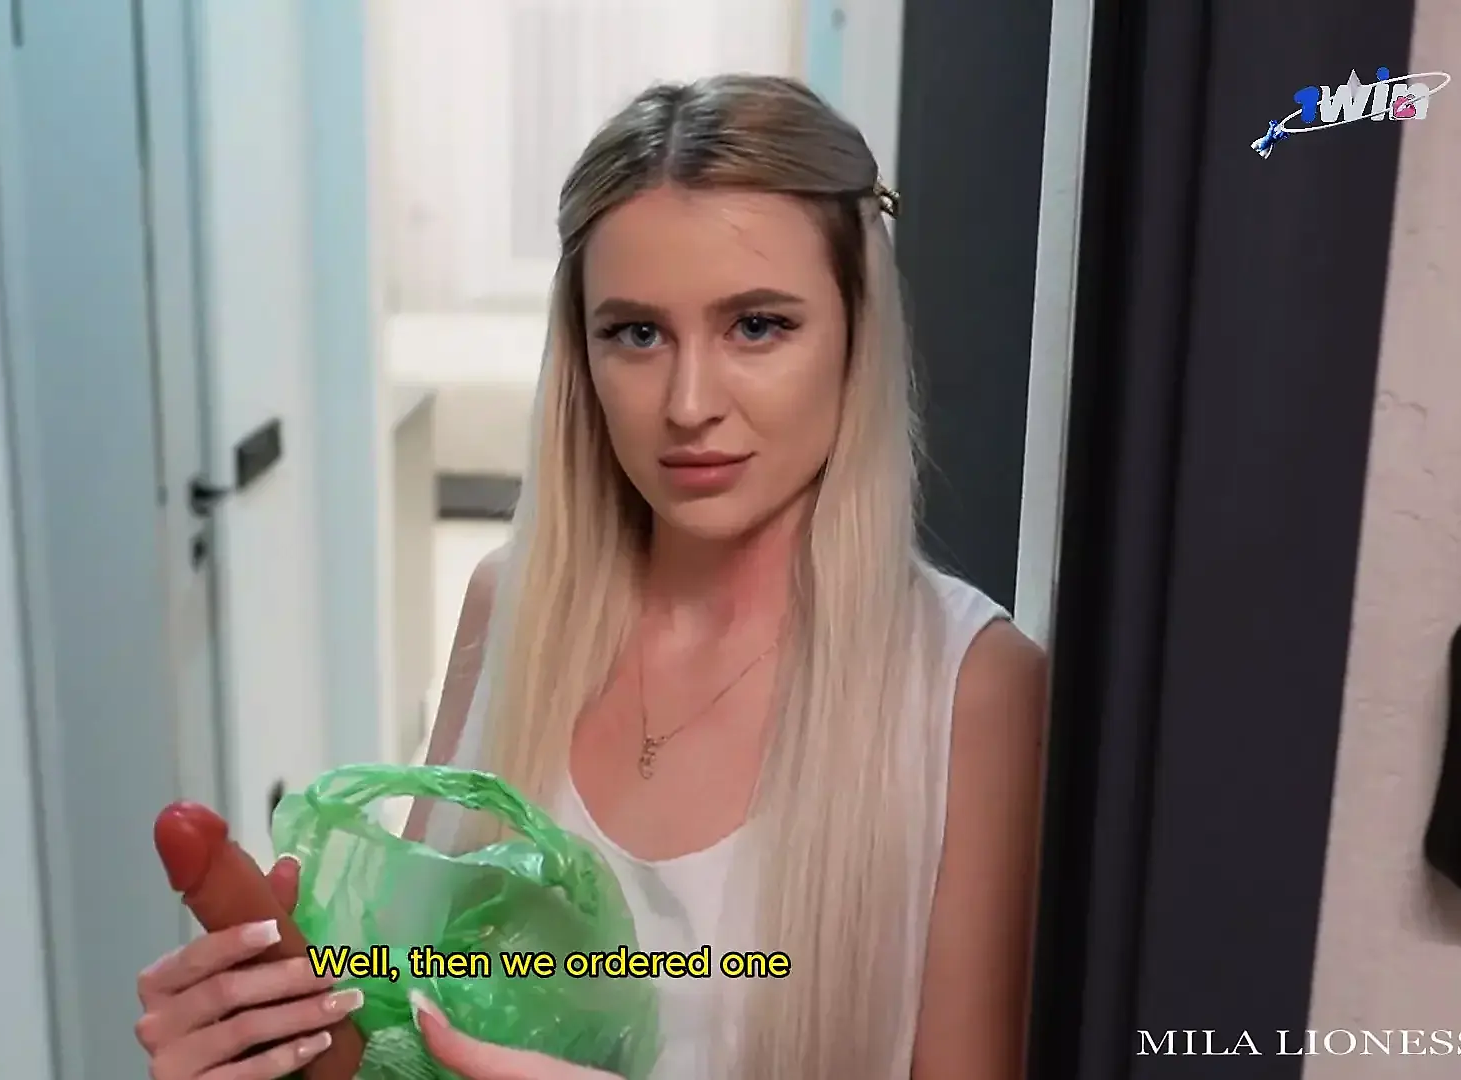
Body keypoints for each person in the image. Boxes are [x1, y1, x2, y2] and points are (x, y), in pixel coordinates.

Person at [133, 73, 1047, 1080]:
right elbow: (415, 1036)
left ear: (857, 336)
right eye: (637, 333)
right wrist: (291, 1040)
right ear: (582, 352)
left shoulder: (976, 691)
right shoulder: (509, 609)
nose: (689, 403)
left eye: (757, 325)